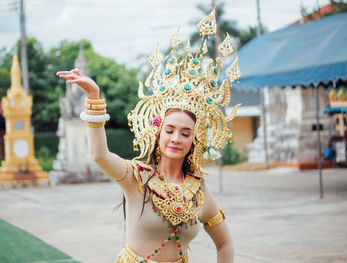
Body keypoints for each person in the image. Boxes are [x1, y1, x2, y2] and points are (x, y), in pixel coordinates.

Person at [57, 8, 240, 263]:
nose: (176, 138)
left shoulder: (198, 190)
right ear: (157, 132)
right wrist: (95, 99)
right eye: (170, 130)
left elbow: (225, 243)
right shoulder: (137, 177)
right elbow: (99, 154)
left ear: (193, 141)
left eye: (186, 133)